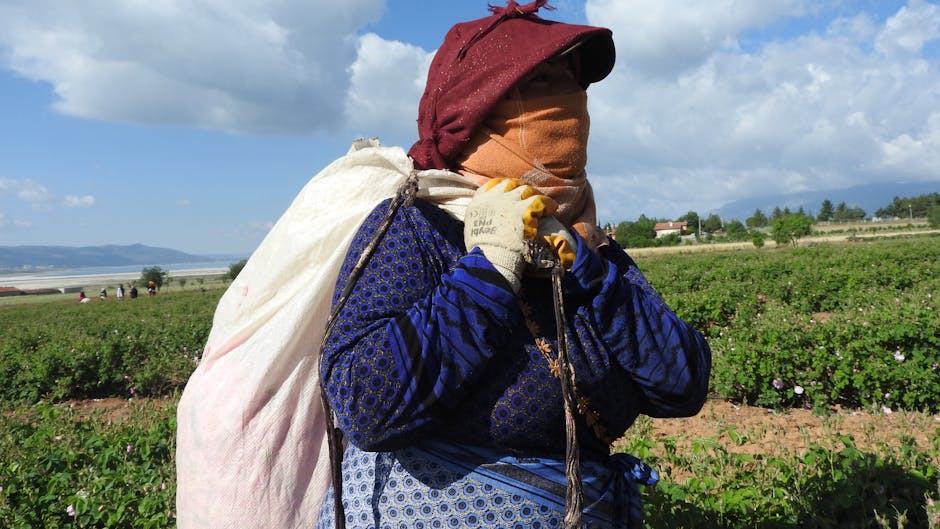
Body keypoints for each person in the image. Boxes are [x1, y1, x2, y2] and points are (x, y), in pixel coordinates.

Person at [314, 3, 712, 529]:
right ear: (478, 109)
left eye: (572, 81)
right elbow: (366, 404)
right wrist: (489, 267)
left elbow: (681, 385)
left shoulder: (587, 246)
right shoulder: (416, 225)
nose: (566, 101)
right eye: (544, 80)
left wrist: (591, 272)